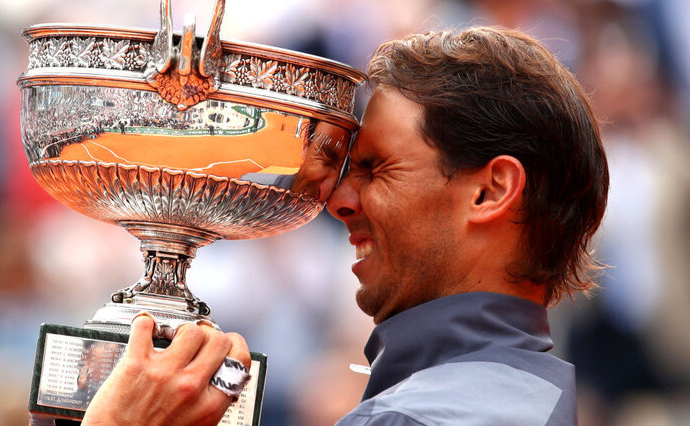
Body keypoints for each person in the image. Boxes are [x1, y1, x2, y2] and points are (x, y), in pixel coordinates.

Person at [82, 26, 609, 425]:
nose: (337, 200)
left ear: (489, 191)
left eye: (376, 168)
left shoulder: (414, 419)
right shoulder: (534, 393)